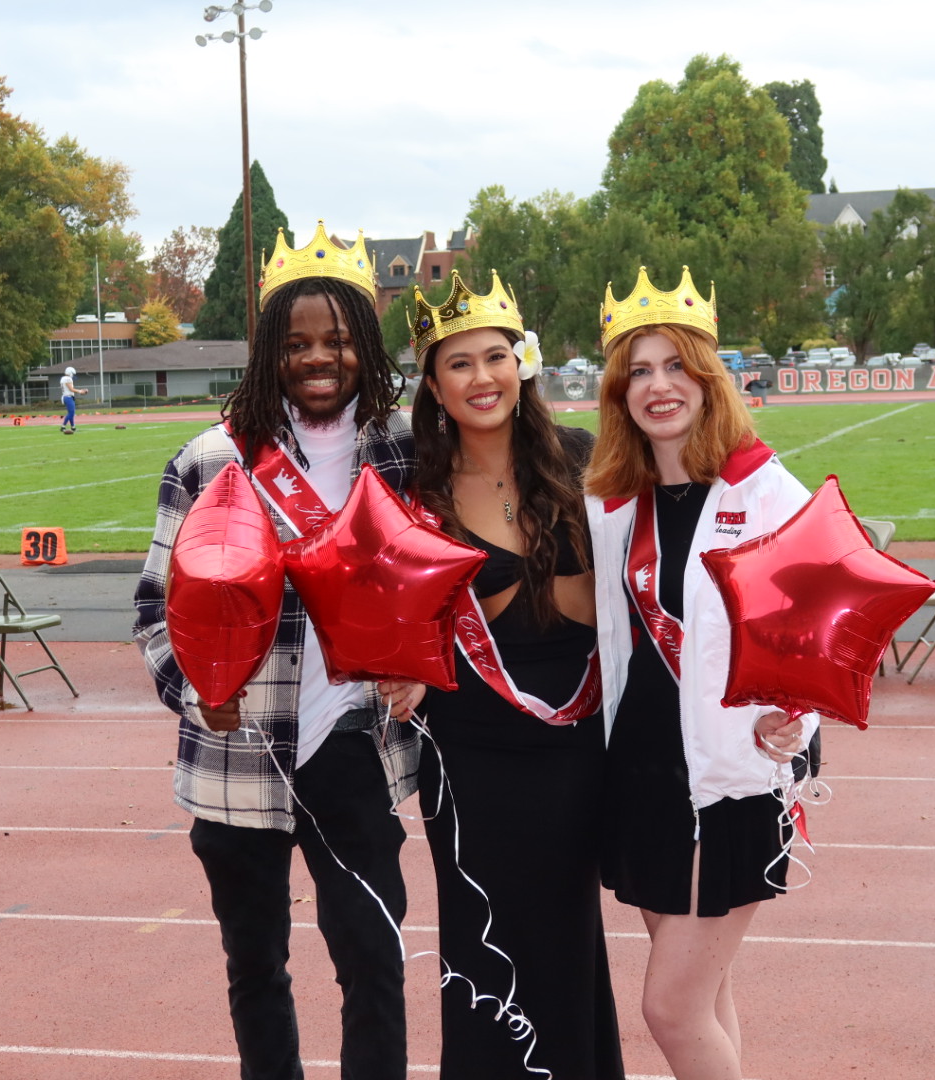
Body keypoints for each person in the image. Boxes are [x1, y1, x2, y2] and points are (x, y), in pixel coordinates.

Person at [133, 221, 417, 1080]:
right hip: (238, 752)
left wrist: (420, 669)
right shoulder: (212, 459)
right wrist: (192, 692)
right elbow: (153, 608)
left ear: (365, 346)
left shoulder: (405, 451)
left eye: (337, 340)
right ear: (269, 352)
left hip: (358, 750)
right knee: (256, 969)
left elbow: (440, 595)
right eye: (296, 343)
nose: (317, 358)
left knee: (373, 960)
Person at [379, 271, 624, 1080]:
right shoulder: (411, 493)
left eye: (497, 356)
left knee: (566, 940)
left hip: (574, 751)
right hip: (470, 757)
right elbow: (381, 614)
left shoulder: (584, 461)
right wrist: (401, 668)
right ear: (432, 384)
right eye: (459, 363)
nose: (482, 377)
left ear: (523, 365)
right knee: (483, 948)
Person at [583, 267, 816, 1080]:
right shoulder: (612, 501)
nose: (658, 386)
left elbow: (818, 630)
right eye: (638, 371)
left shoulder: (768, 495)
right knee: (707, 998)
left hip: (727, 780)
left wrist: (797, 721)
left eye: (676, 365)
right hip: (640, 770)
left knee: (670, 1007)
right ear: (618, 394)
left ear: (710, 379)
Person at [59, 366, 88, 433]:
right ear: (70, 373)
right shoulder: (68, 379)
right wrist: (80, 391)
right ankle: (63, 426)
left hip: (65, 396)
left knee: (71, 413)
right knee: (71, 413)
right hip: (68, 397)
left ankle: (73, 427)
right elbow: (71, 389)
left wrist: (80, 391)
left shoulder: (63, 378)